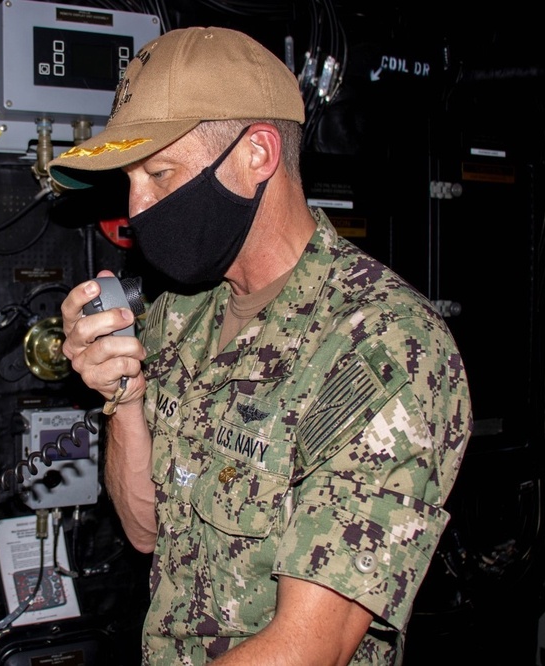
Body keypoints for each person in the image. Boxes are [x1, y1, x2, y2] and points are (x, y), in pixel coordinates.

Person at [48, 26, 472, 666]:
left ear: (257, 155)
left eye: (159, 174)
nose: (138, 209)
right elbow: (145, 532)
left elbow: (309, 648)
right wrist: (124, 398)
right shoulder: (183, 315)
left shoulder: (384, 348)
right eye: (129, 181)